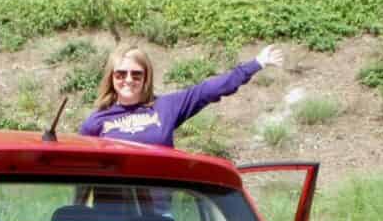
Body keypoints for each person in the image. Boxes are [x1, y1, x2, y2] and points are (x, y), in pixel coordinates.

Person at [79, 44, 284, 147]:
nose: (129, 79)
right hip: (110, 211)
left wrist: (256, 63)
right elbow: (81, 174)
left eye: (136, 74)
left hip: (157, 212)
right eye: (121, 74)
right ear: (111, 77)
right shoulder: (95, 121)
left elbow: (209, 90)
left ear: (146, 77)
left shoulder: (166, 107)